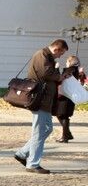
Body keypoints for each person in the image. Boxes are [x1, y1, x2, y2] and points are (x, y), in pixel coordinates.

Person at [14, 39, 69, 174]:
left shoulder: (47, 56)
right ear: (56, 49)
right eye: (60, 54)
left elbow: (48, 73)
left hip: (45, 100)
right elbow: (46, 74)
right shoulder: (42, 55)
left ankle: (22, 153)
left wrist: (58, 73)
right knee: (39, 131)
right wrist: (60, 76)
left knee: (47, 129)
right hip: (39, 99)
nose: (60, 57)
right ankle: (33, 163)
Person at [55, 55, 80, 143]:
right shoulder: (75, 70)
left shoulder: (69, 70)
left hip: (65, 97)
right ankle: (67, 134)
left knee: (62, 115)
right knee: (61, 115)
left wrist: (57, 69)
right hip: (68, 96)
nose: (65, 63)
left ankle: (65, 136)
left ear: (70, 62)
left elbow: (60, 79)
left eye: (67, 61)